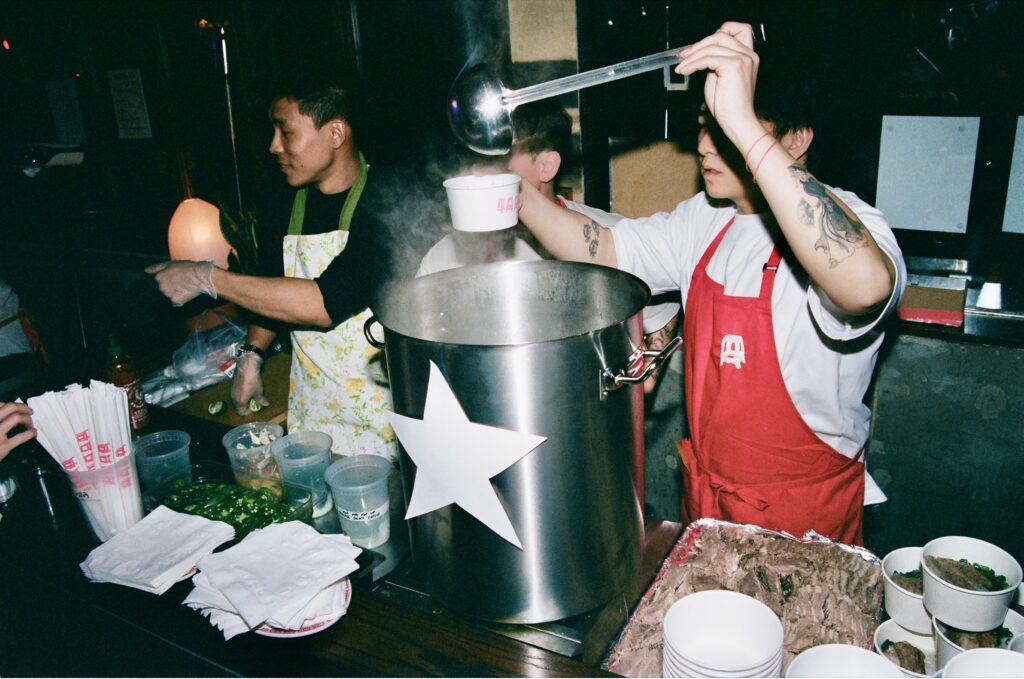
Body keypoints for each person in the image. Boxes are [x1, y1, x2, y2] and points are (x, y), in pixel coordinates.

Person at [515, 22, 906, 544]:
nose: (702, 145)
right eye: (705, 123)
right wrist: (512, 192)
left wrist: (743, 123)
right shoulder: (705, 219)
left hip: (803, 523)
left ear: (796, 137)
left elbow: (865, 286)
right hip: (710, 505)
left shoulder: (853, 222)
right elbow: (607, 248)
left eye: (723, 129)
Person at [148, 77, 401, 461]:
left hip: (386, 413)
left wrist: (205, 277)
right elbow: (272, 287)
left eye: (285, 132)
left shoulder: (387, 200)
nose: (273, 146)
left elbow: (322, 304)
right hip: (313, 408)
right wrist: (252, 354)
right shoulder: (281, 201)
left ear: (335, 133)